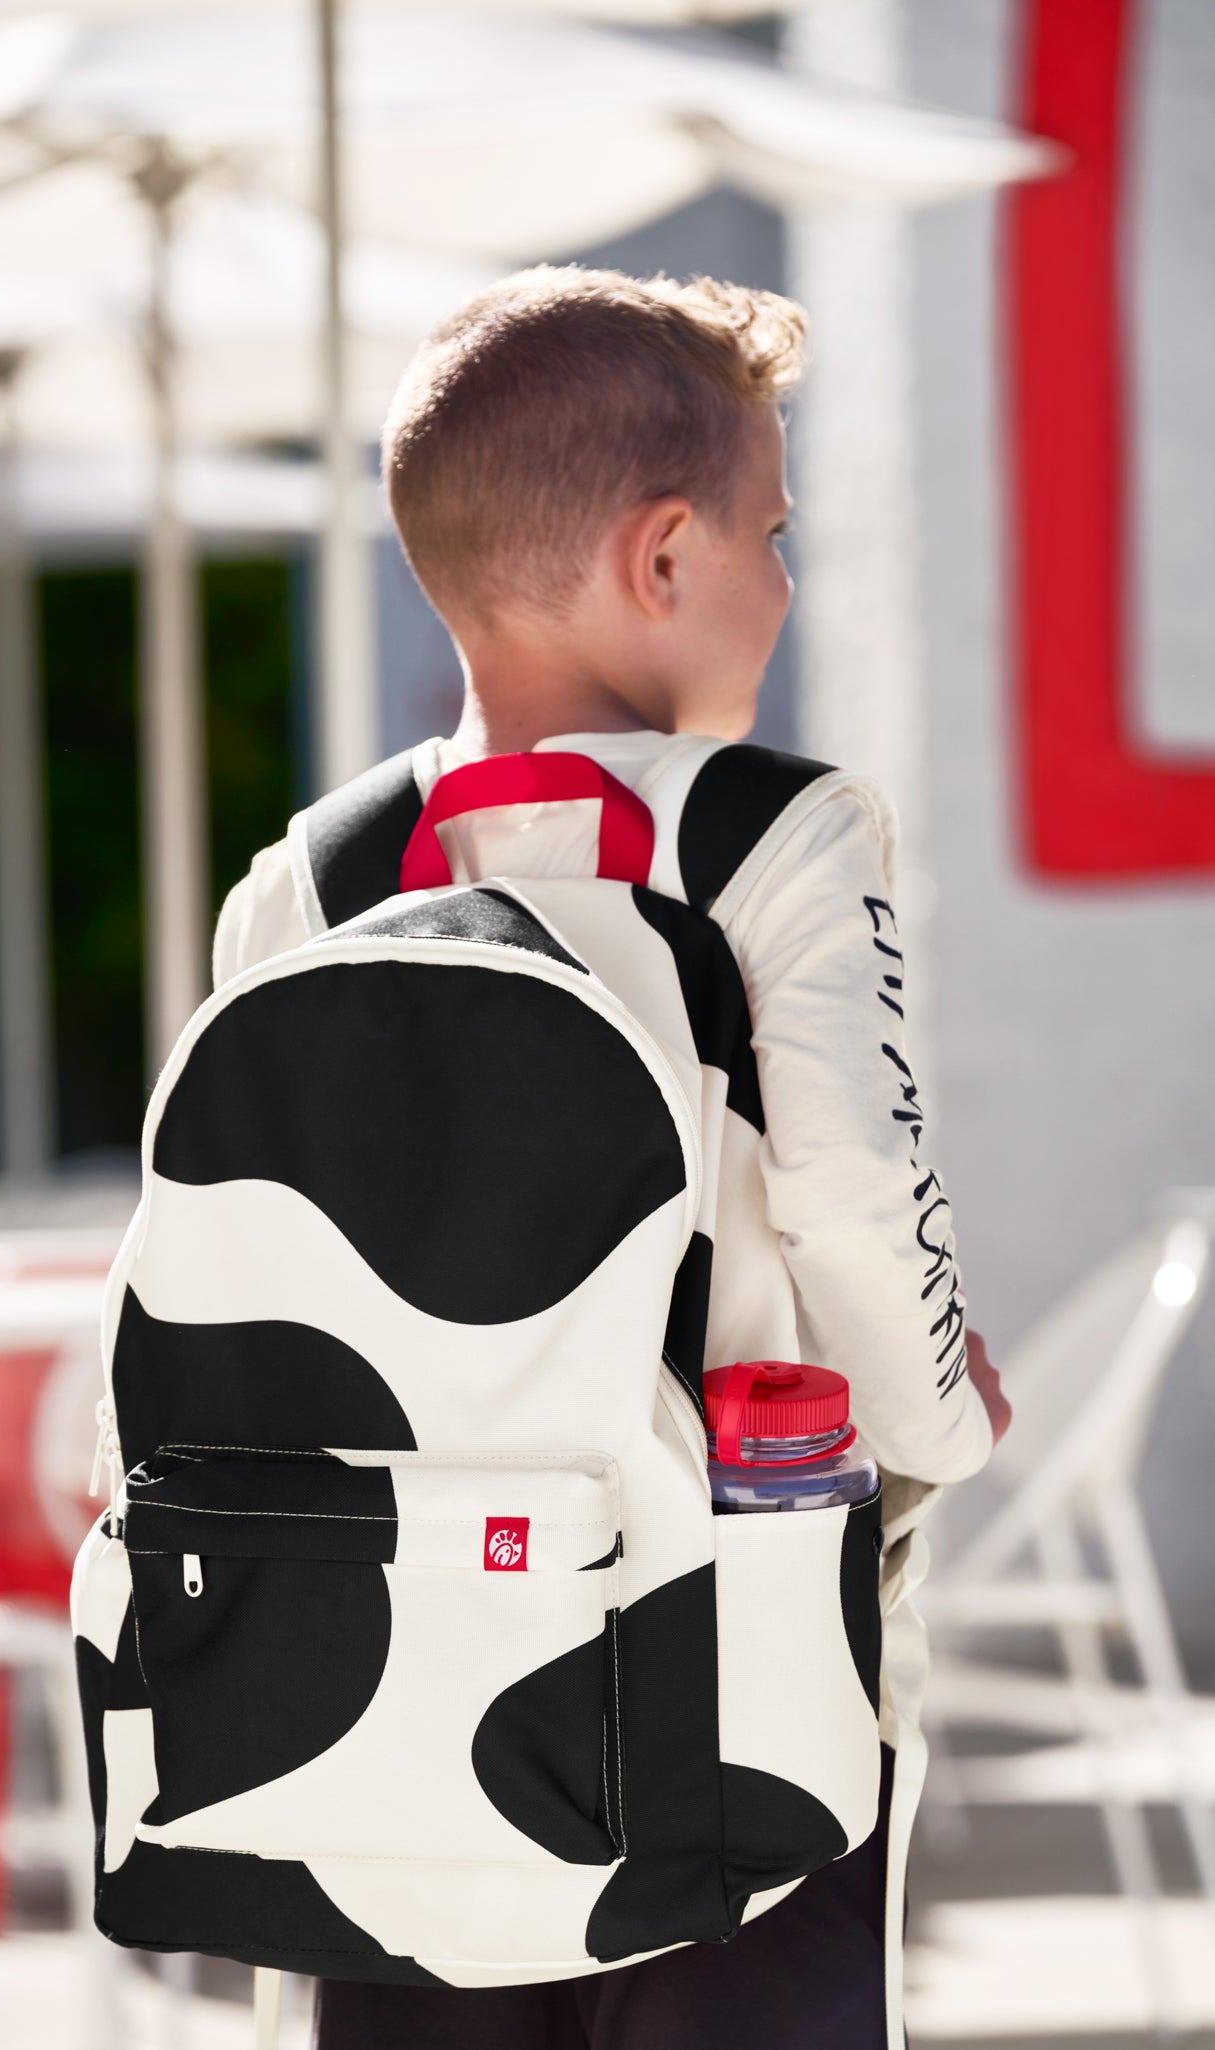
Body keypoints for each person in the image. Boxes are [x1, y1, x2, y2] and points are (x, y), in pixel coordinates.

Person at [212, 265, 1012, 2050]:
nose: (787, 585)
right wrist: (954, 1414)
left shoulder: (313, 882)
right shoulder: (775, 838)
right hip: (732, 1659)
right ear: (665, 560)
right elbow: (862, 1205)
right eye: (772, 534)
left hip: (377, 1677)